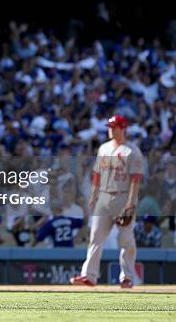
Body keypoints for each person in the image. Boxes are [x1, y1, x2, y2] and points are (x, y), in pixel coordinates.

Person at [70, 115, 144, 288]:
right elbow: (97, 174)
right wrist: (94, 195)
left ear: (123, 128)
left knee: (126, 239)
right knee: (95, 236)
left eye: (115, 126)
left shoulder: (132, 151)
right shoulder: (103, 148)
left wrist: (131, 202)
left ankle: (127, 277)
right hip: (104, 196)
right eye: (110, 126)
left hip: (123, 195)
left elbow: (136, 179)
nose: (111, 129)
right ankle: (89, 276)